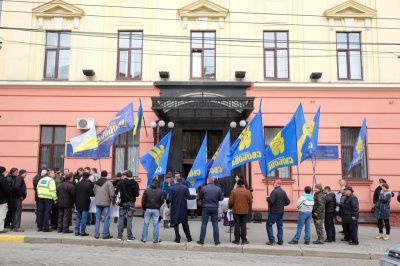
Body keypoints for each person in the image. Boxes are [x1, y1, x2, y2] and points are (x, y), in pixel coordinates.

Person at [166, 176, 196, 243]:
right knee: (185, 223)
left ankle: (177, 238)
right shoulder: (185, 188)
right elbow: (188, 197)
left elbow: (169, 199)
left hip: (175, 208)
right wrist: (194, 196)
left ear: (175, 181)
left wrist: (166, 201)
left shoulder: (172, 188)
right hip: (183, 208)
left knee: (176, 224)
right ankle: (189, 237)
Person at [197, 177, 224, 245]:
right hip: (214, 207)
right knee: (215, 224)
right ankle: (216, 241)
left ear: (207, 181)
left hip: (206, 207)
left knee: (204, 224)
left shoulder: (204, 188)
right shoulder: (218, 188)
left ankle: (201, 240)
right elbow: (221, 199)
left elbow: (200, 196)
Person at [116, 170, 139, 241]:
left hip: (122, 203)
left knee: (121, 219)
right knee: (129, 219)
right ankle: (129, 237)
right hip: (131, 202)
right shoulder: (135, 183)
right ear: (132, 175)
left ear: (125, 175)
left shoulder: (121, 182)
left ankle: (119, 236)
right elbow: (137, 194)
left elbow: (117, 191)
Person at [265, 179, 290, 246]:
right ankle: (280, 240)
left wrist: (268, 198)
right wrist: (281, 204)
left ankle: (271, 240)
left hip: (274, 212)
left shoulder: (274, 192)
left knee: (269, 224)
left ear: (276, 183)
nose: (273, 184)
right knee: (280, 226)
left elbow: (272, 201)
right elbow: (288, 202)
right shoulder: (283, 192)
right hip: (281, 212)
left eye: (274, 183)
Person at [228, 178, 253, 245]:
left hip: (236, 210)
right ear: (243, 184)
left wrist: (230, 207)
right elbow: (251, 201)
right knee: (243, 225)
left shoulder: (234, 191)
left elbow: (230, 202)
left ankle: (237, 240)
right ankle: (244, 240)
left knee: (237, 225)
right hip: (244, 211)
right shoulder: (247, 191)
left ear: (237, 184)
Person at [140, 179, 164, 243]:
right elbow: (162, 201)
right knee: (156, 224)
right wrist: (158, 206)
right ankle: (155, 239)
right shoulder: (160, 191)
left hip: (148, 208)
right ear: (157, 184)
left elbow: (143, 200)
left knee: (146, 223)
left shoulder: (147, 190)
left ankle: (144, 238)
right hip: (156, 209)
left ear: (151, 183)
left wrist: (144, 208)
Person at [94, 170, 115, 239]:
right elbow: (112, 193)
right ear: (106, 175)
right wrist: (113, 201)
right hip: (106, 202)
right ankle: (105, 234)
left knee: (97, 218)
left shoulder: (96, 183)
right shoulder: (108, 183)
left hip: (97, 202)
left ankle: (96, 234)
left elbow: (94, 192)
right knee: (106, 218)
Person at [74, 171, 94, 236]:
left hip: (78, 202)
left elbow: (75, 193)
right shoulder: (89, 184)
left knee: (78, 217)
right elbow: (91, 194)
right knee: (84, 218)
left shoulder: (77, 184)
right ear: (88, 177)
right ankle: (82, 232)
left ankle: (76, 231)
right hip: (85, 202)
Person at [0, 166, 11, 233]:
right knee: (2, 214)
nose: (6, 172)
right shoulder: (2, 179)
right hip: (2, 200)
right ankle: (0, 229)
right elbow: (6, 190)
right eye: (5, 171)